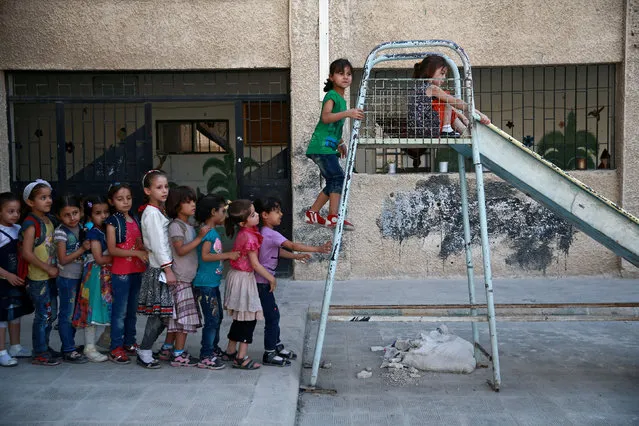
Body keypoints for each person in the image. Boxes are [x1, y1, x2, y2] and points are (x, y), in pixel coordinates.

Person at [254, 197, 331, 366]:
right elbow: (292, 245)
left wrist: (296, 257)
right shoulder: (270, 234)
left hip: (264, 281)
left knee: (274, 314)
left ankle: (277, 346)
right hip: (263, 282)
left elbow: (278, 252)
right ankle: (269, 353)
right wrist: (317, 249)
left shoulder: (265, 234)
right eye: (277, 211)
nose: (281, 214)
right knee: (272, 317)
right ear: (265, 215)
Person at [305, 58, 364, 229]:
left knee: (334, 181)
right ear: (331, 77)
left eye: (348, 74)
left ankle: (313, 213)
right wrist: (348, 113)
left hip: (328, 147)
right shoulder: (331, 96)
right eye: (340, 73)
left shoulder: (341, 99)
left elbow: (333, 126)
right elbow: (326, 117)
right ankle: (333, 217)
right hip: (321, 147)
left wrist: (340, 142)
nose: (345, 77)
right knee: (338, 177)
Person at [160, 185, 206, 367]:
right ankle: (178, 354)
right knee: (183, 321)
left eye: (193, 201)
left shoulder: (188, 225)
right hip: (179, 280)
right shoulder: (176, 226)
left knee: (176, 319)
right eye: (188, 202)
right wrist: (199, 238)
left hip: (187, 279)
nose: (193, 205)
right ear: (177, 205)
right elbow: (180, 250)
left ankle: (166, 348)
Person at [222, 199, 272, 370]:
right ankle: (241, 357)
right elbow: (256, 264)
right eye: (253, 214)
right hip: (243, 278)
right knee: (248, 319)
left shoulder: (246, 232)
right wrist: (271, 278)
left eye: (255, 212)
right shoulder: (249, 236)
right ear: (243, 222)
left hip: (238, 276)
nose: (257, 215)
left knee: (240, 317)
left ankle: (230, 350)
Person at [192, 194, 239, 370]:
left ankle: (212, 348)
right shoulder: (208, 233)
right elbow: (205, 256)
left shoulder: (211, 232)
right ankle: (206, 355)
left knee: (217, 317)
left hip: (212, 283)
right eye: (222, 211)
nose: (224, 215)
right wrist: (227, 255)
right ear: (213, 212)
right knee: (212, 319)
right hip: (205, 285)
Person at [136, 170, 176, 369]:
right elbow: (159, 245)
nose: (164, 191)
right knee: (159, 315)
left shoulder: (157, 211)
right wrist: (168, 269)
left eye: (166, 186)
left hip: (161, 267)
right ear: (147, 190)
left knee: (162, 314)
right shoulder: (151, 214)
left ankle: (145, 349)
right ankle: (144, 350)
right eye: (159, 187)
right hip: (159, 270)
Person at [105, 182, 148, 364]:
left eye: (128, 198)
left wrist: (143, 248)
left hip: (136, 270)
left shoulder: (135, 219)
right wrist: (137, 252)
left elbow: (138, 241)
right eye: (120, 199)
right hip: (121, 272)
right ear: (111, 201)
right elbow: (113, 250)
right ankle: (115, 347)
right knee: (120, 312)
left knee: (132, 311)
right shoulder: (112, 222)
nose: (125, 202)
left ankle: (129, 342)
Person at [20, 179, 60, 366]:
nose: (48, 200)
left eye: (49, 196)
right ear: (30, 202)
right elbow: (27, 253)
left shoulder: (48, 219)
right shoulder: (30, 223)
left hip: (49, 276)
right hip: (38, 278)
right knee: (43, 314)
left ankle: (44, 345)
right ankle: (40, 352)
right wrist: (47, 268)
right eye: (43, 198)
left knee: (51, 313)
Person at [72, 195, 112, 362]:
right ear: (90, 216)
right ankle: (89, 347)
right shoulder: (94, 233)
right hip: (96, 276)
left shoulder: (106, 230)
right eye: (98, 213)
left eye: (106, 212)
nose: (103, 216)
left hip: (105, 275)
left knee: (105, 309)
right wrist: (120, 257)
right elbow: (99, 258)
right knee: (92, 310)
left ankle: (103, 341)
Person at [53, 194, 91, 364]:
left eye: (75, 213)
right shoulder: (61, 232)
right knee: (67, 314)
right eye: (67, 215)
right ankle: (68, 349)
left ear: (81, 212)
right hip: (67, 278)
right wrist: (82, 249)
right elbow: (63, 259)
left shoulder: (82, 227)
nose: (72, 218)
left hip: (80, 278)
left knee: (75, 313)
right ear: (59, 216)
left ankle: (69, 345)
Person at [0, 192, 34, 366]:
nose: (15, 215)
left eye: (18, 211)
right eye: (10, 211)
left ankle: (15, 346)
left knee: (15, 314)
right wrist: (7, 275)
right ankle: (1, 351)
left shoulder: (19, 229)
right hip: (2, 282)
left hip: (16, 282)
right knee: (2, 317)